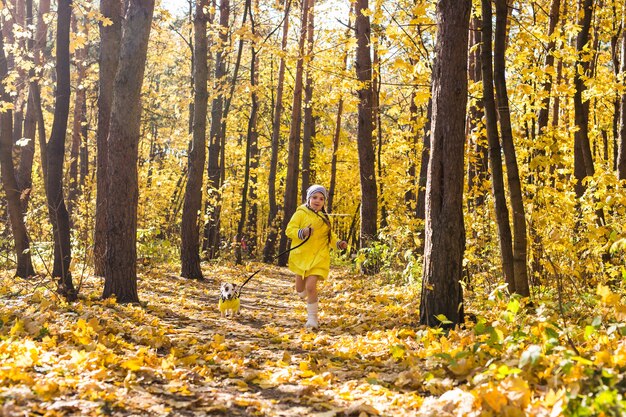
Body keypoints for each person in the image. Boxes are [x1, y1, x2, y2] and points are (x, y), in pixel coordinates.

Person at [285, 184, 348, 328]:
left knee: (311, 286)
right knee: (300, 290)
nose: (317, 201)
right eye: (314, 197)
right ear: (308, 199)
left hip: (319, 257)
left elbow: (330, 236)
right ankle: (303, 292)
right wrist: (302, 232)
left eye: (321, 198)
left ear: (324, 202)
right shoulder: (300, 213)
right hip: (301, 257)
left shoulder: (325, 218)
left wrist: (339, 243)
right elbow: (289, 230)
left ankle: (312, 319)